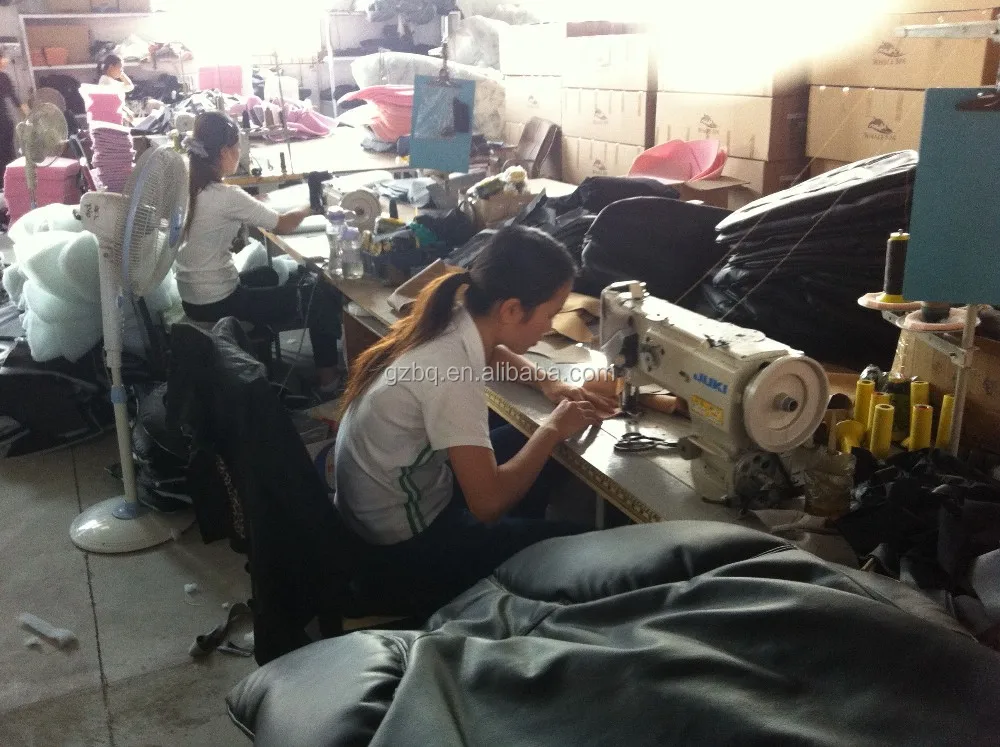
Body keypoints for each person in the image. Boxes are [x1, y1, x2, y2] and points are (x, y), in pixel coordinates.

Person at [334, 225, 620, 613]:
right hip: (403, 553)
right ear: (511, 310)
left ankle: (515, 542)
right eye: (550, 314)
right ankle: (513, 586)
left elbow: (492, 352)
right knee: (588, 545)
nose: (551, 326)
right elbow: (488, 504)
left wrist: (547, 382)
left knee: (526, 444)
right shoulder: (449, 372)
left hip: (386, 508)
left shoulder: (454, 316)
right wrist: (552, 428)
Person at [175, 111, 342, 390]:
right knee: (317, 296)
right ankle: (329, 380)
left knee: (267, 274)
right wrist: (311, 206)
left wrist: (253, 205)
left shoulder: (187, 186)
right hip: (221, 301)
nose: (240, 153)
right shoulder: (227, 197)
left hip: (193, 298)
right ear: (225, 151)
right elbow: (284, 224)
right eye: (237, 147)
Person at [0, 54, 30, 189]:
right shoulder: (3, 77)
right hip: (4, 124)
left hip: (4, 124)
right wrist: (30, 116)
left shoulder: (3, 77)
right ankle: (10, 186)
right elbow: (16, 100)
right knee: (7, 156)